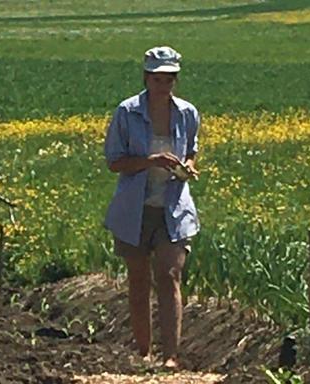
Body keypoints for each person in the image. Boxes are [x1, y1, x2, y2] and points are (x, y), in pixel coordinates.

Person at [103, 46, 200, 369]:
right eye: (159, 79)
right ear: (147, 78)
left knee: (170, 273)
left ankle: (171, 356)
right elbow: (115, 162)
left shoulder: (187, 113)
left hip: (173, 207)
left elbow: (192, 149)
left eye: (171, 79)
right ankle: (143, 352)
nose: (165, 85)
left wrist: (187, 165)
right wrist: (151, 161)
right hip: (136, 208)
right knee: (139, 278)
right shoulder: (126, 112)